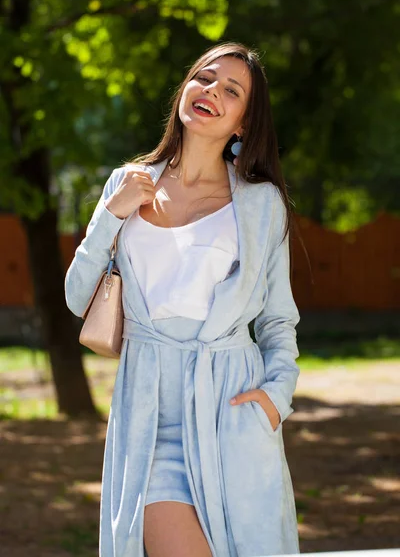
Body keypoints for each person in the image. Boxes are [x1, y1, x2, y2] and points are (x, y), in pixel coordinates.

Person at [65, 41, 301, 557]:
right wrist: (113, 213)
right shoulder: (126, 184)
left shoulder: (261, 205)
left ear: (243, 123)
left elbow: (279, 321)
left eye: (231, 90)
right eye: (205, 78)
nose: (211, 91)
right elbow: (76, 295)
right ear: (186, 90)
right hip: (148, 415)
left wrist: (274, 400)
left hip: (232, 413)